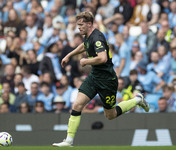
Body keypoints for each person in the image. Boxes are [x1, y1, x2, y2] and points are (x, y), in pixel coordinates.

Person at [52, 11, 149, 147]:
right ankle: (69, 140)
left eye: (81, 25)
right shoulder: (88, 35)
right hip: (94, 77)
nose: (78, 27)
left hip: (107, 80)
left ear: (89, 24)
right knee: (77, 105)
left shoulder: (97, 38)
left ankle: (137, 100)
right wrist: (69, 55)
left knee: (110, 114)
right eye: (77, 25)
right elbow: (84, 45)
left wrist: (87, 61)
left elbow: (102, 58)